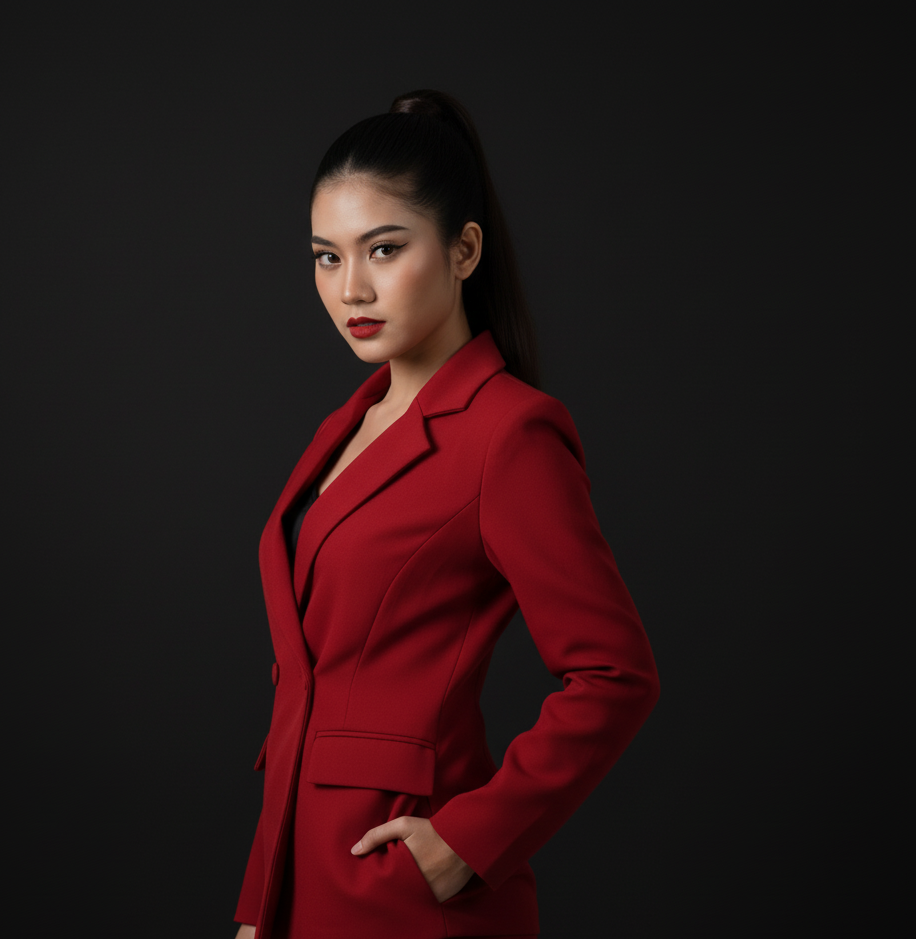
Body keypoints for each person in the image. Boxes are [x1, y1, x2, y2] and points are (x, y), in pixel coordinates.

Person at [233, 89, 659, 939]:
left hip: (405, 893)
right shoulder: (345, 425)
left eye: (383, 249)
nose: (350, 287)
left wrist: (466, 839)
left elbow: (616, 674)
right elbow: (309, 696)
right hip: (302, 873)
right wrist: (258, 905)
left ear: (463, 249)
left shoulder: (508, 434)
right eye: (325, 256)